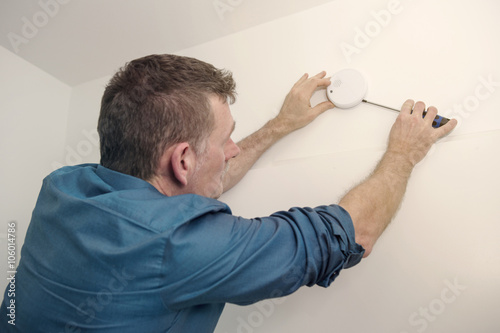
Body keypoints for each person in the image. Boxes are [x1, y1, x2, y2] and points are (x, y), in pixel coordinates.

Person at [0, 54, 457, 333]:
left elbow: (193, 179)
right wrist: (404, 152)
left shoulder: (64, 187)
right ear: (181, 160)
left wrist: (281, 125)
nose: (231, 150)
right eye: (226, 140)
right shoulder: (178, 245)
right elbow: (354, 232)